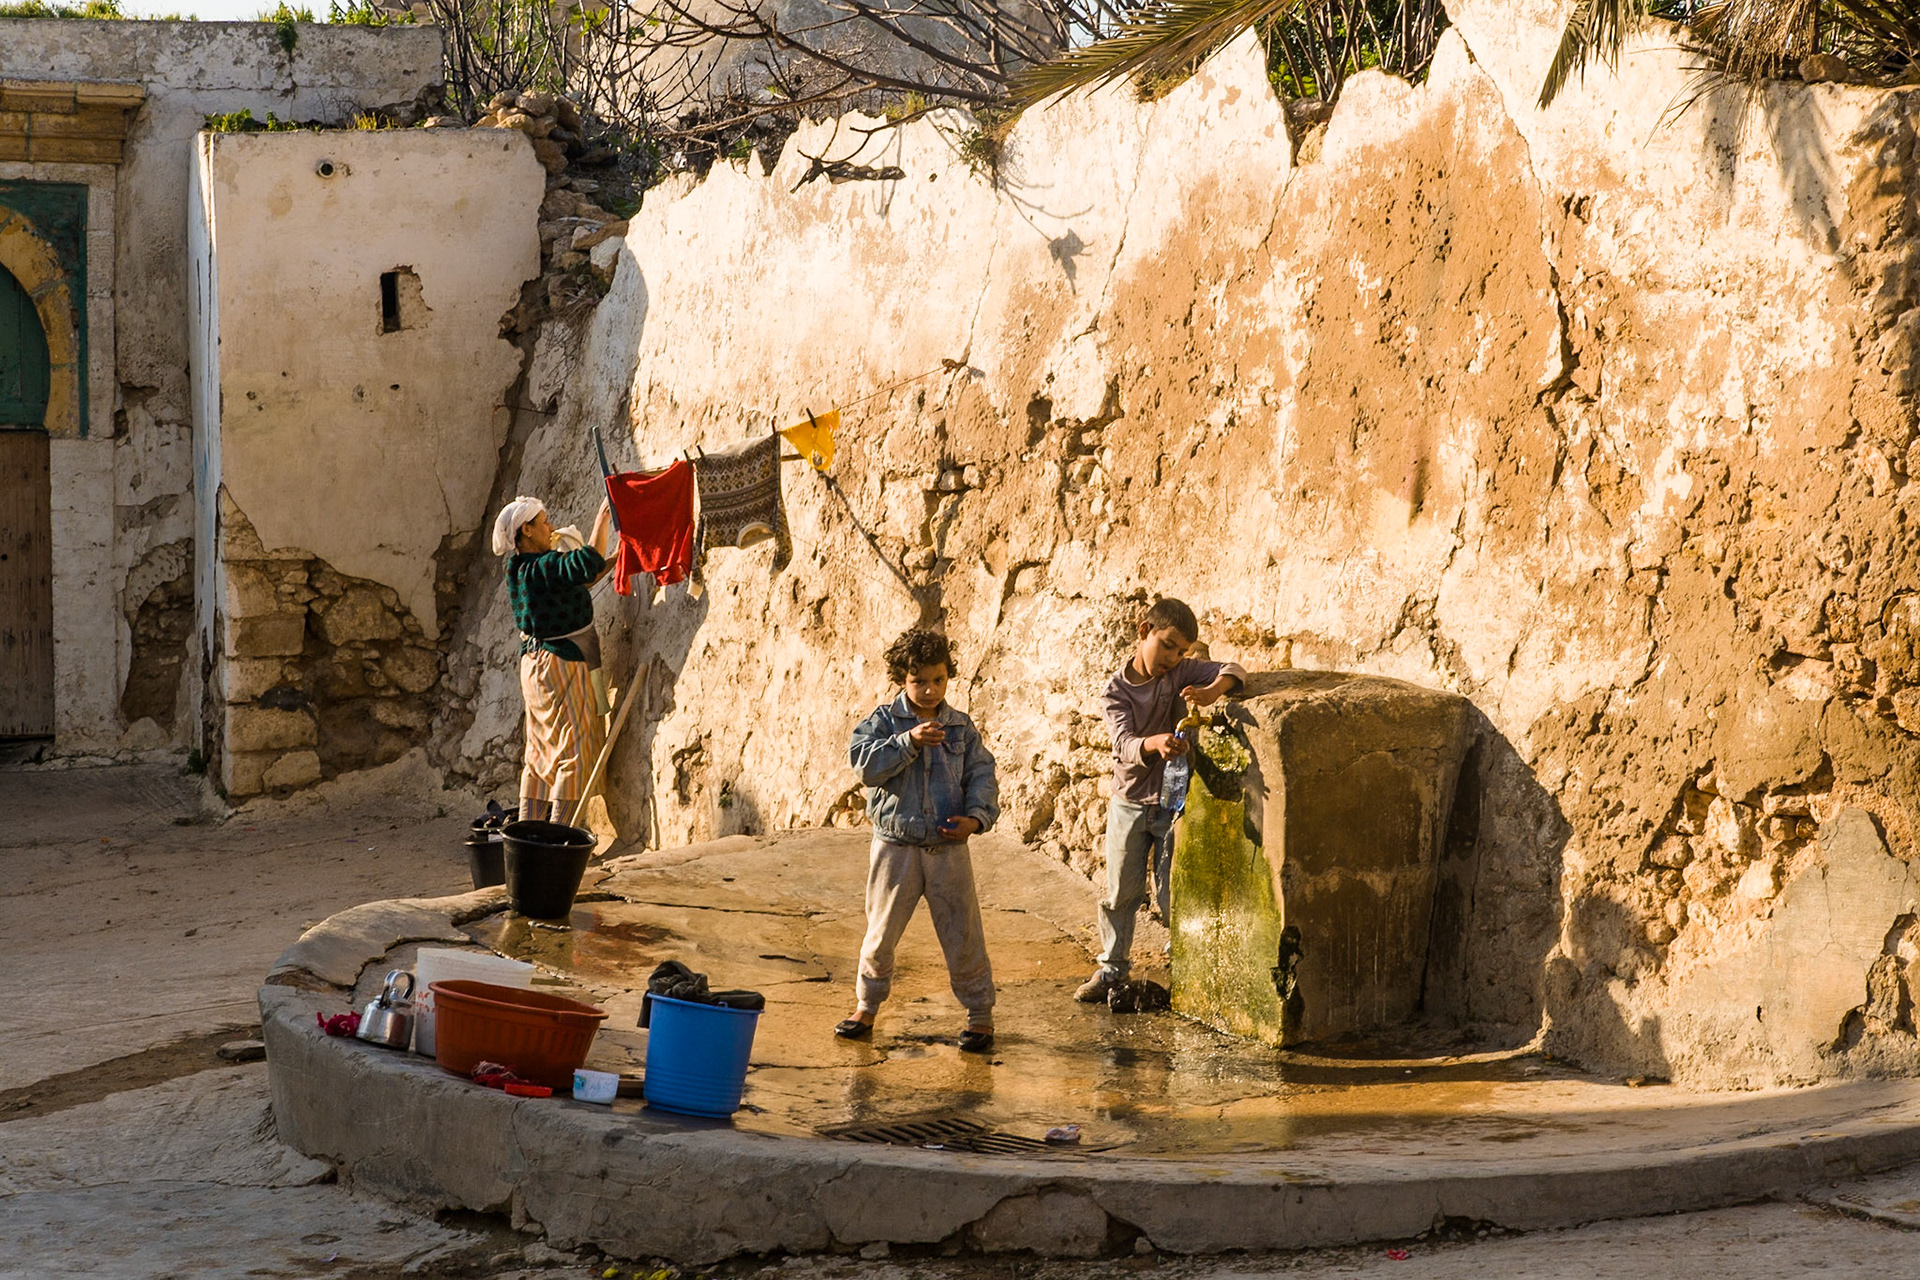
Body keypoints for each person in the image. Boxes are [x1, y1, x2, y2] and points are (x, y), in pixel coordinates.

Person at [1075, 598, 1246, 1003]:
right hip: (1130, 802)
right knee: (1121, 892)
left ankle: (1182, 965)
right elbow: (1123, 744)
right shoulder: (1116, 691)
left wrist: (1211, 691)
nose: (1172, 658)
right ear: (1143, 631)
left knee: (1173, 892)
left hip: (1171, 803)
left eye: (1181, 652)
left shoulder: (1180, 673)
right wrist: (1155, 743)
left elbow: (1235, 670)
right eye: (1167, 645)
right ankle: (1112, 969)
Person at [840, 629, 1001, 1052]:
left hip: (948, 847)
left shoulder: (960, 727)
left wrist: (976, 819)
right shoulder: (882, 723)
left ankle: (980, 1015)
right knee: (880, 934)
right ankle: (866, 1006)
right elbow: (865, 766)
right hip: (895, 846)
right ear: (901, 679)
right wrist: (907, 742)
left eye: (938, 680)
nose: (930, 690)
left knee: (963, 934)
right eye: (919, 681)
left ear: (949, 676)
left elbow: (981, 775)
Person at [493, 494, 615, 825]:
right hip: (560, 663)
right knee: (574, 750)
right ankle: (560, 834)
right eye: (544, 522)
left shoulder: (518, 569)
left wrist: (615, 560)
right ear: (527, 530)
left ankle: (529, 832)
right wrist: (603, 517)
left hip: (533, 666)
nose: (551, 527)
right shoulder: (543, 566)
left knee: (538, 753)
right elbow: (586, 563)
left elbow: (578, 579)